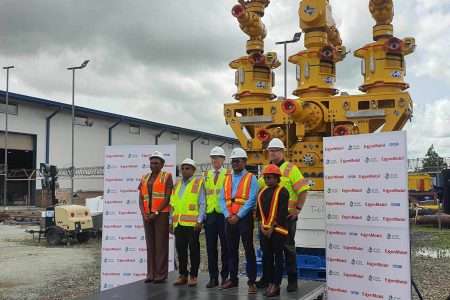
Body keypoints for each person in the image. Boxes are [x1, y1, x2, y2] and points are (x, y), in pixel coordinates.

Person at [256, 138, 310, 292]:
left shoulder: (290, 169)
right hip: (268, 220)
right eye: (270, 150)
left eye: (275, 150)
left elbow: (303, 189)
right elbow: (259, 187)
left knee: (288, 249)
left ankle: (292, 280)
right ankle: (267, 279)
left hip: (286, 218)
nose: (271, 153)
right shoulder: (267, 169)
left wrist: (298, 208)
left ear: (282, 152)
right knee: (267, 251)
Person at [218, 147, 259, 294]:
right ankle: (233, 280)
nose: (234, 163)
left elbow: (251, 199)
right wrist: (227, 215)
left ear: (245, 162)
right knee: (231, 250)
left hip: (244, 218)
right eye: (233, 161)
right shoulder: (227, 178)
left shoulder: (251, 178)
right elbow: (221, 199)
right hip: (229, 218)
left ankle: (252, 282)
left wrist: (238, 216)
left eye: (237, 161)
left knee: (248, 250)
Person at [138, 150, 173, 284]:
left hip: (161, 215)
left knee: (161, 245)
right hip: (147, 215)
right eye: (151, 162)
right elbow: (141, 198)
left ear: (162, 164)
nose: (153, 165)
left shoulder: (167, 176)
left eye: (156, 163)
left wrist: (156, 213)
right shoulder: (144, 177)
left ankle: (160, 275)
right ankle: (150, 274)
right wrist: (144, 213)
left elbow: (167, 196)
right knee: (150, 245)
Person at [170, 158, 205, 287]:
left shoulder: (198, 183)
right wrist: (170, 222)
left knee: (194, 250)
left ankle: (193, 275)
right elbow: (172, 205)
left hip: (192, 225)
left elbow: (202, 203)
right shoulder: (176, 185)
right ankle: (183, 274)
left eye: (187, 168)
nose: (184, 170)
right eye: (183, 168)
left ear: (193, 170)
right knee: (181, 250)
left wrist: (199, 221)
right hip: (178, 224)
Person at [257, 164, 289, 297]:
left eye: (268, 177)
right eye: (264, 177)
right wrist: (262, 227)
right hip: (265, 231)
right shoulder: (263, 192)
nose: (265, 179)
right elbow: (259, 213)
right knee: (267, 257)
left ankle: (276, 284)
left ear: (276, 178)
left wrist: (272, 227)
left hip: (278, 230)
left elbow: (282, 212)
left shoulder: (283, 191)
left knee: (278, 256)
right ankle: (270, 282)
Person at [203, 146, 231, 288]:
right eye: (212, 158)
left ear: (223, 159)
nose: (214, 160)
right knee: (210, 247)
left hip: (223, 215)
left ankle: (225, 277)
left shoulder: (228, 175)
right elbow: (203, 195)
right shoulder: (206, 174)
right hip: (210, 215)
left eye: (217, 157)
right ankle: (213, 278)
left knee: (225, 247)